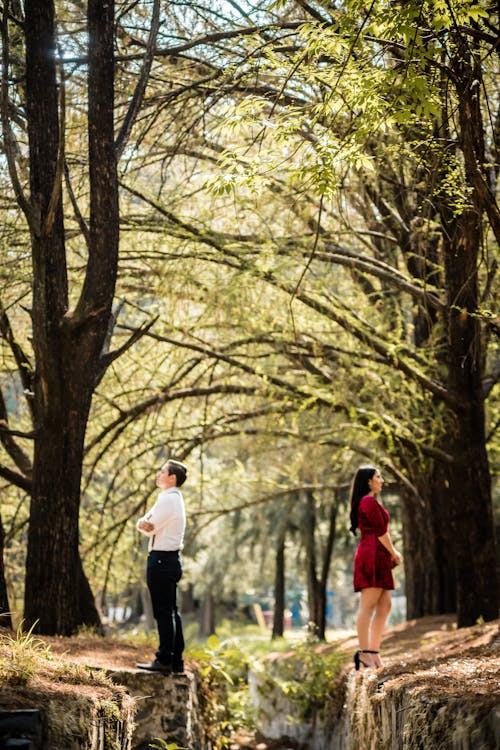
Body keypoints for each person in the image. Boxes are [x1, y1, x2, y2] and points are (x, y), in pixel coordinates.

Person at [136, 458, 187, 674]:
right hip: (168, 559)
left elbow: (148, 527)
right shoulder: (170, 498)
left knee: (164, 612)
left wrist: (142, 523)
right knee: (171, 611)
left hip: (161, 559)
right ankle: (175, 660)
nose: (158, 475)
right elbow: (146, 522)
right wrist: (143, 522)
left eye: (162, 472)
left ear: (172, 477)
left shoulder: (168, 500)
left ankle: (165, 659)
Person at [349, 465, 401, 670]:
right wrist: (394, 552)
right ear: (369, 481)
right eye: (378, 477)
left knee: (385, 606)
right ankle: (364, 654)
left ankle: (373, 652)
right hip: (371, 556)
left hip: (377, 556)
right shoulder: (368, 501)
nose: (382, 480)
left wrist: (388, 555)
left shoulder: (370, 501)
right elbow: (381, 532)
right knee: (367, 606)